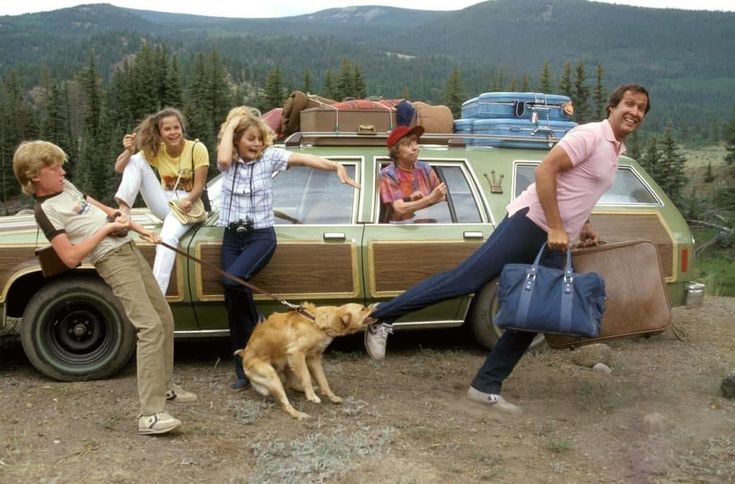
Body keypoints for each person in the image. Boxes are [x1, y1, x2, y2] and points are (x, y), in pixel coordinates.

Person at [365, 84, 650, 413]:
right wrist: (557, 226)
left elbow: (579, 190)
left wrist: (583, 227)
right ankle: (380, 317)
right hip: (531, 224)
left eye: (642, 108)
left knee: (537, 310)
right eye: (629, 104)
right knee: (465, 281)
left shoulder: (616, 150)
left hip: (556, 237)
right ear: (612, 107)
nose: (635, 112)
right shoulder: (589, 136)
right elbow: (544, 171)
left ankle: (485, 385)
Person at [13, 140, 197, 435]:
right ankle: (150, 415)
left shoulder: (67, 187)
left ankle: (165, 390)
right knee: (149, 327)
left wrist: (135, 227)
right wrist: (106, 230)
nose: (62, 171)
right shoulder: (45, 210)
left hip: (128, 248)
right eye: (55, 167)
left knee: (164, 318)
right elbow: (71, 258)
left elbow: (104, 210)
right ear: (34, 175)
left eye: (61, 165)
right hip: (111, 259)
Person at [216, 106, 361, 390]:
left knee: (230, 282)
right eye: (250, 139)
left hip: (261, 236)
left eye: (260, 138)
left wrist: (335, 167)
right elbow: (222, 157)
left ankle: (256, 328)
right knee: (233, 298)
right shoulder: (229, 161)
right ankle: (244, 369)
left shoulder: (269, 158)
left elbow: (304, 159)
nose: (257, 144)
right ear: (236, 141)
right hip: (233, 236)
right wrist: (233, 123)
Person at [114, 107, 210, 295]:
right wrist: (128, 151)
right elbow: (120, 167)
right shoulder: (158, 150)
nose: (173, 132)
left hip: (189, 204)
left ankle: (157, 295)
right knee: (134, 160)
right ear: (159, 133)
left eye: (176, 127)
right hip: (166, 201)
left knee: (167, 239)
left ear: (182, 128)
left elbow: (199, 187)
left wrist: (189, 200)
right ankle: (124, 211)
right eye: (167, 129)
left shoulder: (196, 149)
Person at [380, 125, 447, 223]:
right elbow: (399, 208)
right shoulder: (388, 174)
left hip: (430, 226)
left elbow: (442, 197)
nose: (415, 147)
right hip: (400, 230)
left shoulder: (425, 168)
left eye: (415, 142)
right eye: (408, 144)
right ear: (396, 152)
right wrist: (429, 199)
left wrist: (421, 200)